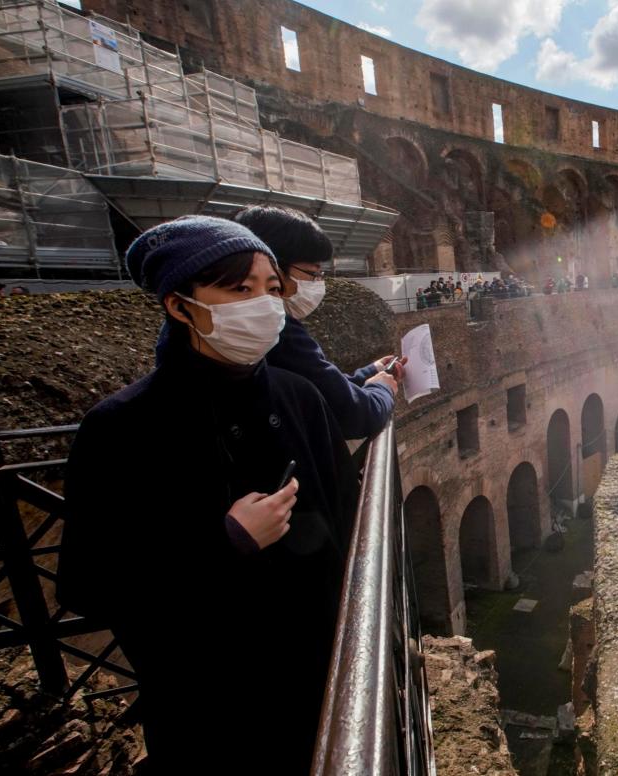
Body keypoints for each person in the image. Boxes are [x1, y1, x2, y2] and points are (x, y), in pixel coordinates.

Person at [57, 216, 362, 774]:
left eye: (272, 289)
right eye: (238, 289)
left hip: (320, 674)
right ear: (179, 305)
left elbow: (349, 518)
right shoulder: (122, 428)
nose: (264, 305)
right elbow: (88, 585)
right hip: (211, 702)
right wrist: (225, 542)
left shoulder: (299, 398)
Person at [231, 206, 402, 440]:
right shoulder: (274, 330)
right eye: (313, 273)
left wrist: (370, 372)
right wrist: (383, 388)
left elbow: (320, 386)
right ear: (275, 268)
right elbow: (354, 415)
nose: (319, 282)